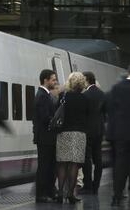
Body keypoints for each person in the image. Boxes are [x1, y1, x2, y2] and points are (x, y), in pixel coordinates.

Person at [55, 72, 89, 204]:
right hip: (79, 134)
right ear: (82, 83)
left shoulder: (63, 96)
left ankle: (59, 193)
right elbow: (87, 116)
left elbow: (57, 111)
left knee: (62, 163)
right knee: (74, 164)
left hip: (63, 133)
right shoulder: (85, 99)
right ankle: (70, 194)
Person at [32, 69, 58, 203]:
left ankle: (50, 191)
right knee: (44, 166)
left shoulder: (44, 95)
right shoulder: (42, 96)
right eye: (53, 79)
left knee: (50, 165)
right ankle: (41, 194)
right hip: (45, 137)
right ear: (45, 80)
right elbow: (44, 117)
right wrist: (56, 121)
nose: (55, 82)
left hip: (47, 137)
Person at [108, 66, 130, 206]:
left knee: (120, 164)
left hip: (120, 133)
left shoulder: (117, 88)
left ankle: (117, 194)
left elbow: (110, 110)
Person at [81, 71, 106, 194]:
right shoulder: (102, 94)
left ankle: (88, 185)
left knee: (87, 159)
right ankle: (96, 186)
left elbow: (83, 114)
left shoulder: (85, 95)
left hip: (88, 131)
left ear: (87, 80)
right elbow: (106, 113)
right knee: (98, 159)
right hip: (99, 131)